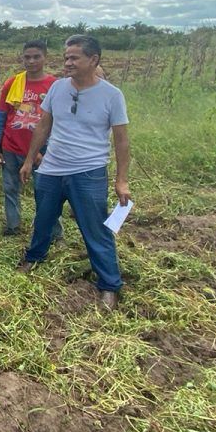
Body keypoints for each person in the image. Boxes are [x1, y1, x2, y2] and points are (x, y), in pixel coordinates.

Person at [18, 35, 131, 311]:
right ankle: (34, 257)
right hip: (52, 169)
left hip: (88, 172)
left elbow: (121, 140)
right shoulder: (57, 88)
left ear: (93, 60)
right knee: (43, 219)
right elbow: (44, 125)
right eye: (66, 57)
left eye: (74, 57)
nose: (67, 62)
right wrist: (29, 160)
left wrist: (121, 180)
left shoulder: (112, 95)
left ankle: (109, 286)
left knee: (95, 229)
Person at [0, 40, 62, 242]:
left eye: (36, 56)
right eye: (27, 57)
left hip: (41, 151)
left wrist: (45, 150)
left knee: (45, 193)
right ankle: (13, 227)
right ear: (21, 58)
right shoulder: (12, 83)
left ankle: (54, 233)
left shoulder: (54, 85)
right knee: (10, 189)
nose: (31, 61)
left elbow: (59, 121)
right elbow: (2, 116)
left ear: (45, 57)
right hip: (10, 147)